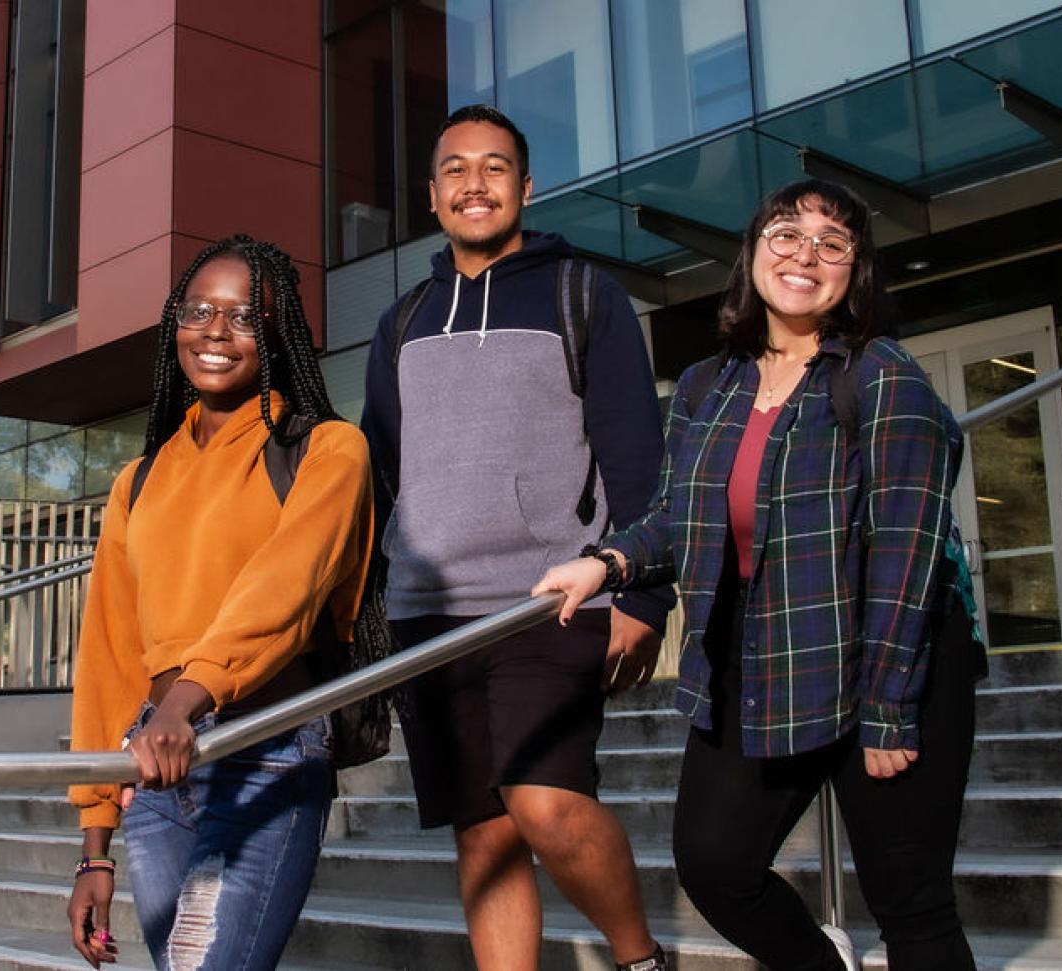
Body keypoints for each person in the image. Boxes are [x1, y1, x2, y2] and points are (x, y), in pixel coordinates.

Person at [534, 179, 982, 971]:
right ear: (753, 253)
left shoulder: (883, 376)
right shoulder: (710, 384)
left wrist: (887, 710)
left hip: (892, 655)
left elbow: (909, 554)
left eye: (831, 242)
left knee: (910, 901)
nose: (804, 254)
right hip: (766, 654)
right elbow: (677, 515)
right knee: (716, 864)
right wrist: (604, 562)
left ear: (855, 271)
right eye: (785, 233)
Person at [361, 104, 673, 971]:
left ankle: (639, 959)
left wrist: (644, 595)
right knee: (485, 836)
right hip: (429, 614)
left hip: (550, 602)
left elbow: (637, 457)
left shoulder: (584, 294)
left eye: (495, 167)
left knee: (546, 804)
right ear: (432, 196)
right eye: (456, 168)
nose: (475, 182)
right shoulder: (405, 320)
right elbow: (380, 475)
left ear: (526, 188)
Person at [65, 235, 379, 970]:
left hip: (266, 744)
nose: (214, 329)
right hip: (155, 764)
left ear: (274, 334)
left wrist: (186, 704)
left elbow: (284, 591)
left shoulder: (328, 450)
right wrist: (93, 845)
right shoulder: (136, 481)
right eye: (198, 309)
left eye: (242, 316)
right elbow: (109, 656)